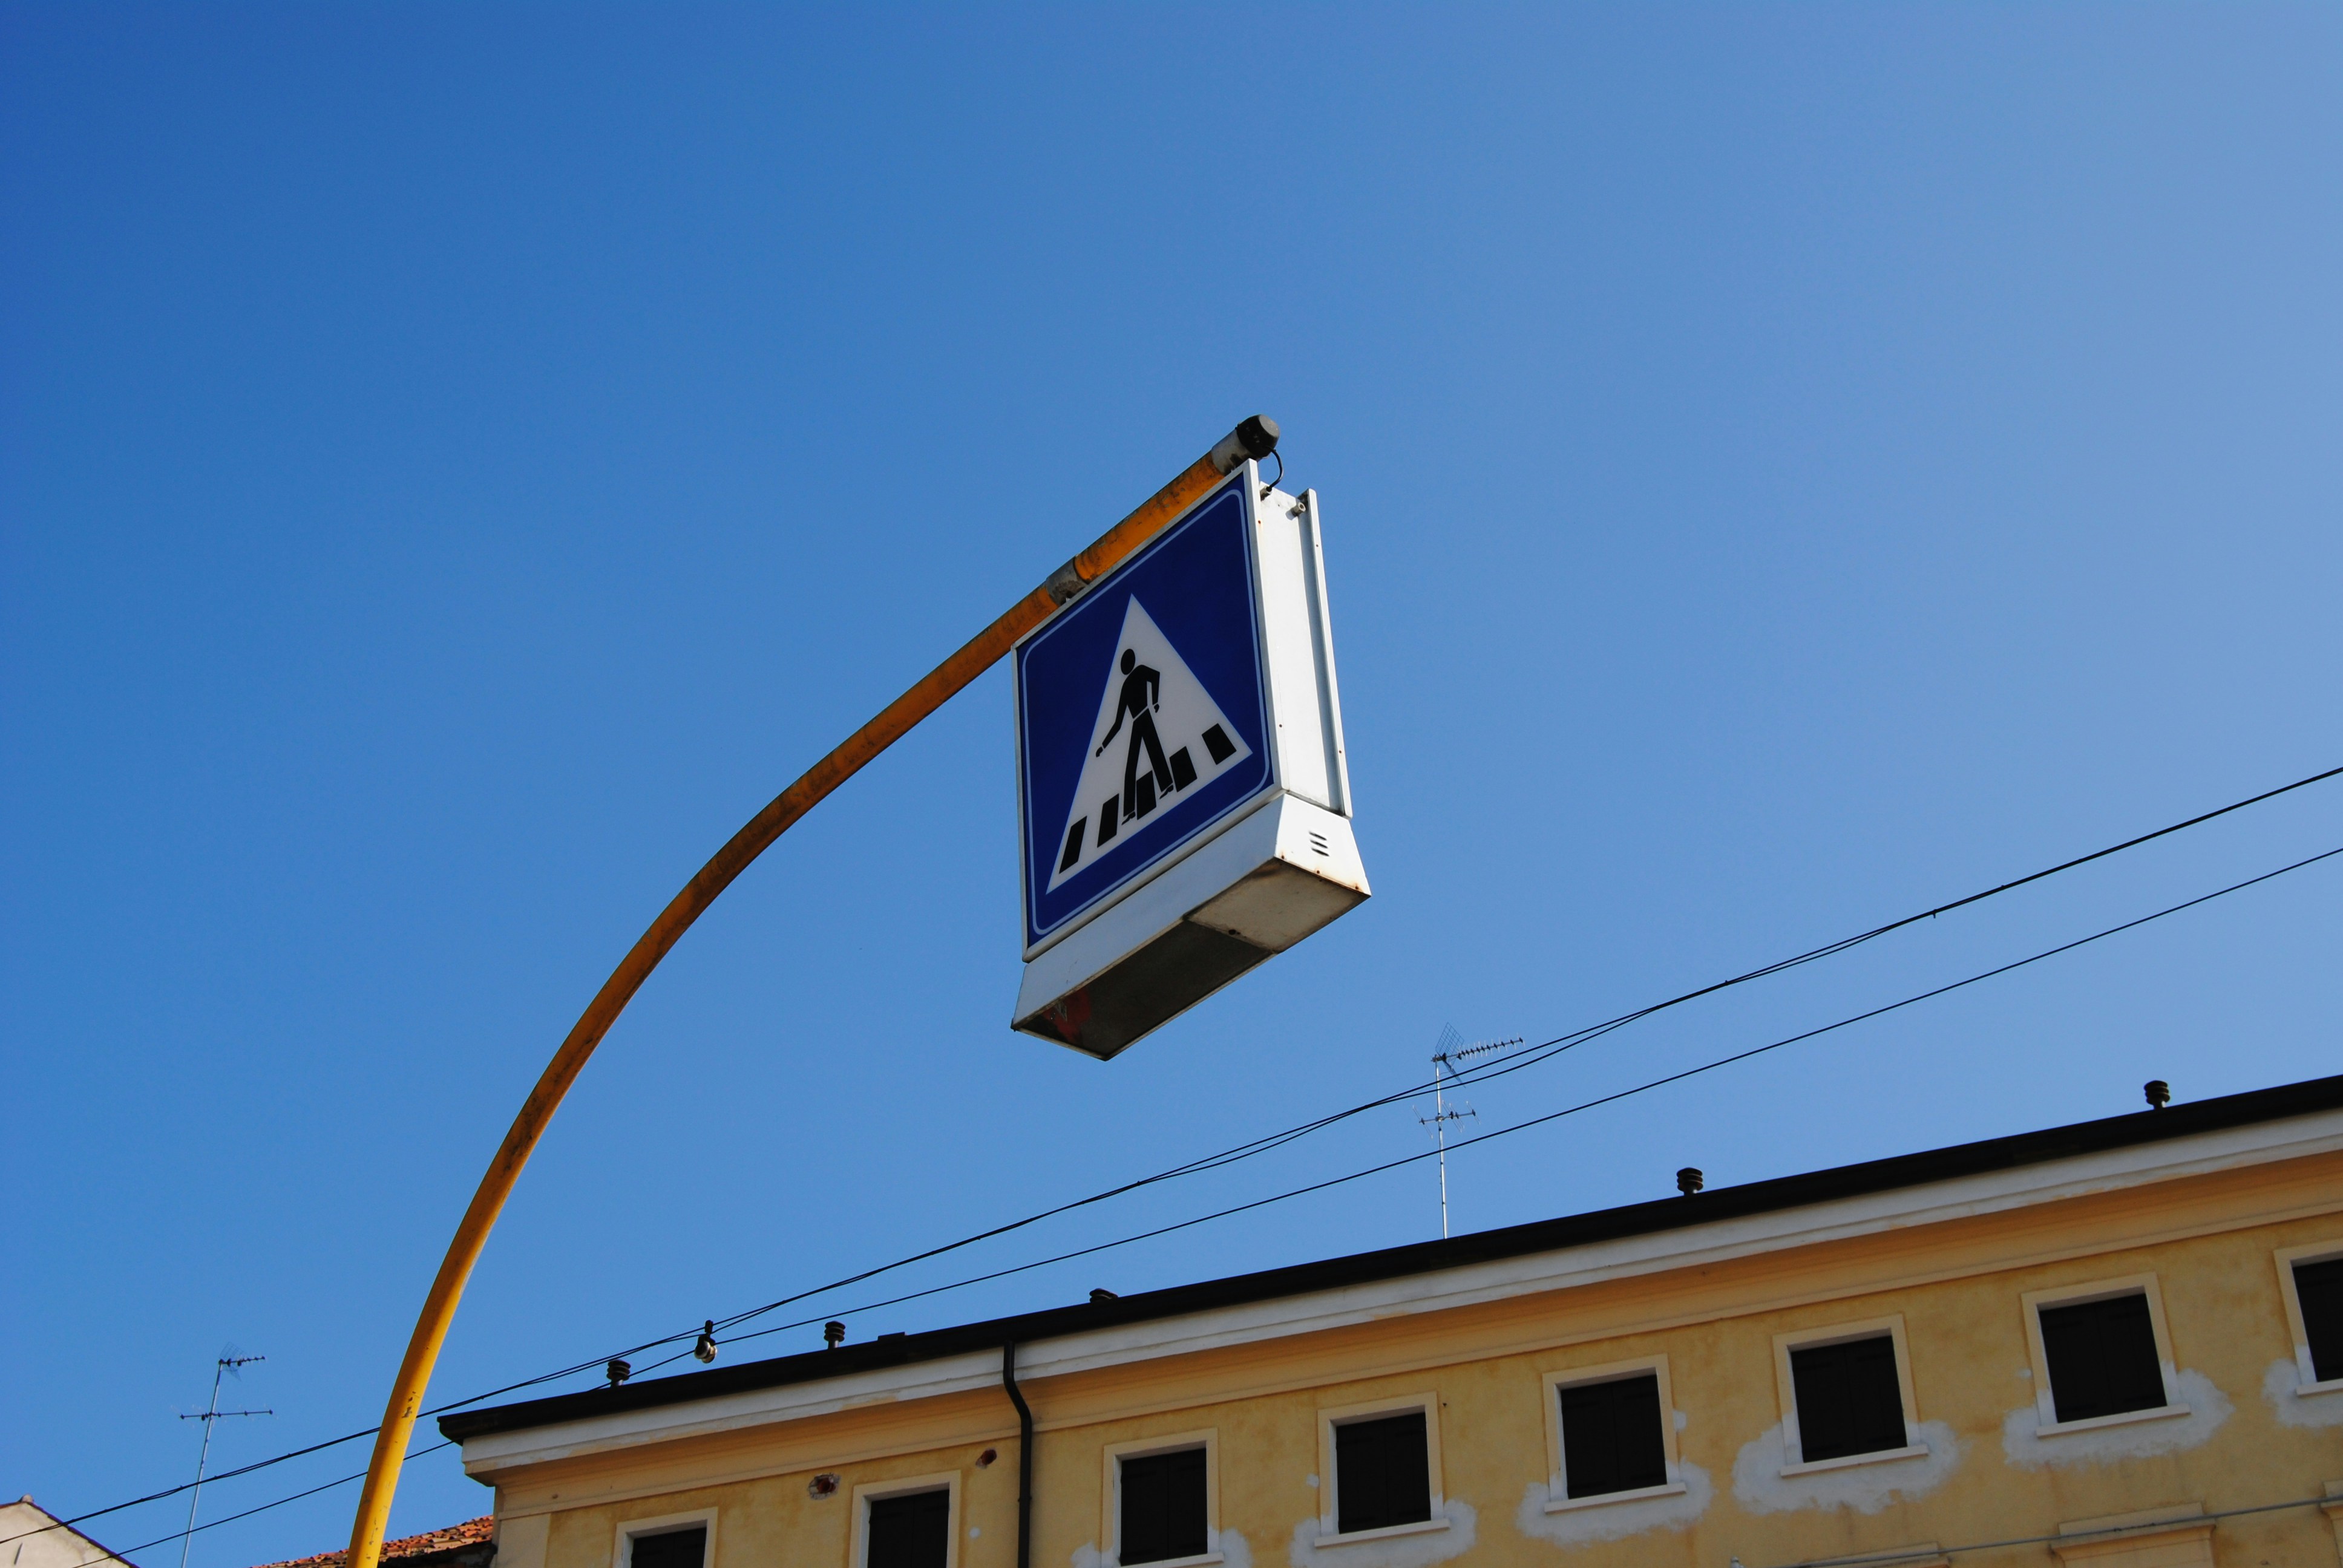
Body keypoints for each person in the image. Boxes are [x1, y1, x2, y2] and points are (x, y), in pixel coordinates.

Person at [1095, 647, 1173, 820]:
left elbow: (1155, 675)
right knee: (1132, 765)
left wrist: (1155, 701)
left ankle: (1167, 785)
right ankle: (1130, 810)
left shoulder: (1138, 673)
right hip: (1139, 721)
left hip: (1144, 717)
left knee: (1155, 754)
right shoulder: (1126, 686)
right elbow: (1118, 723)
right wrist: (1102, 746)